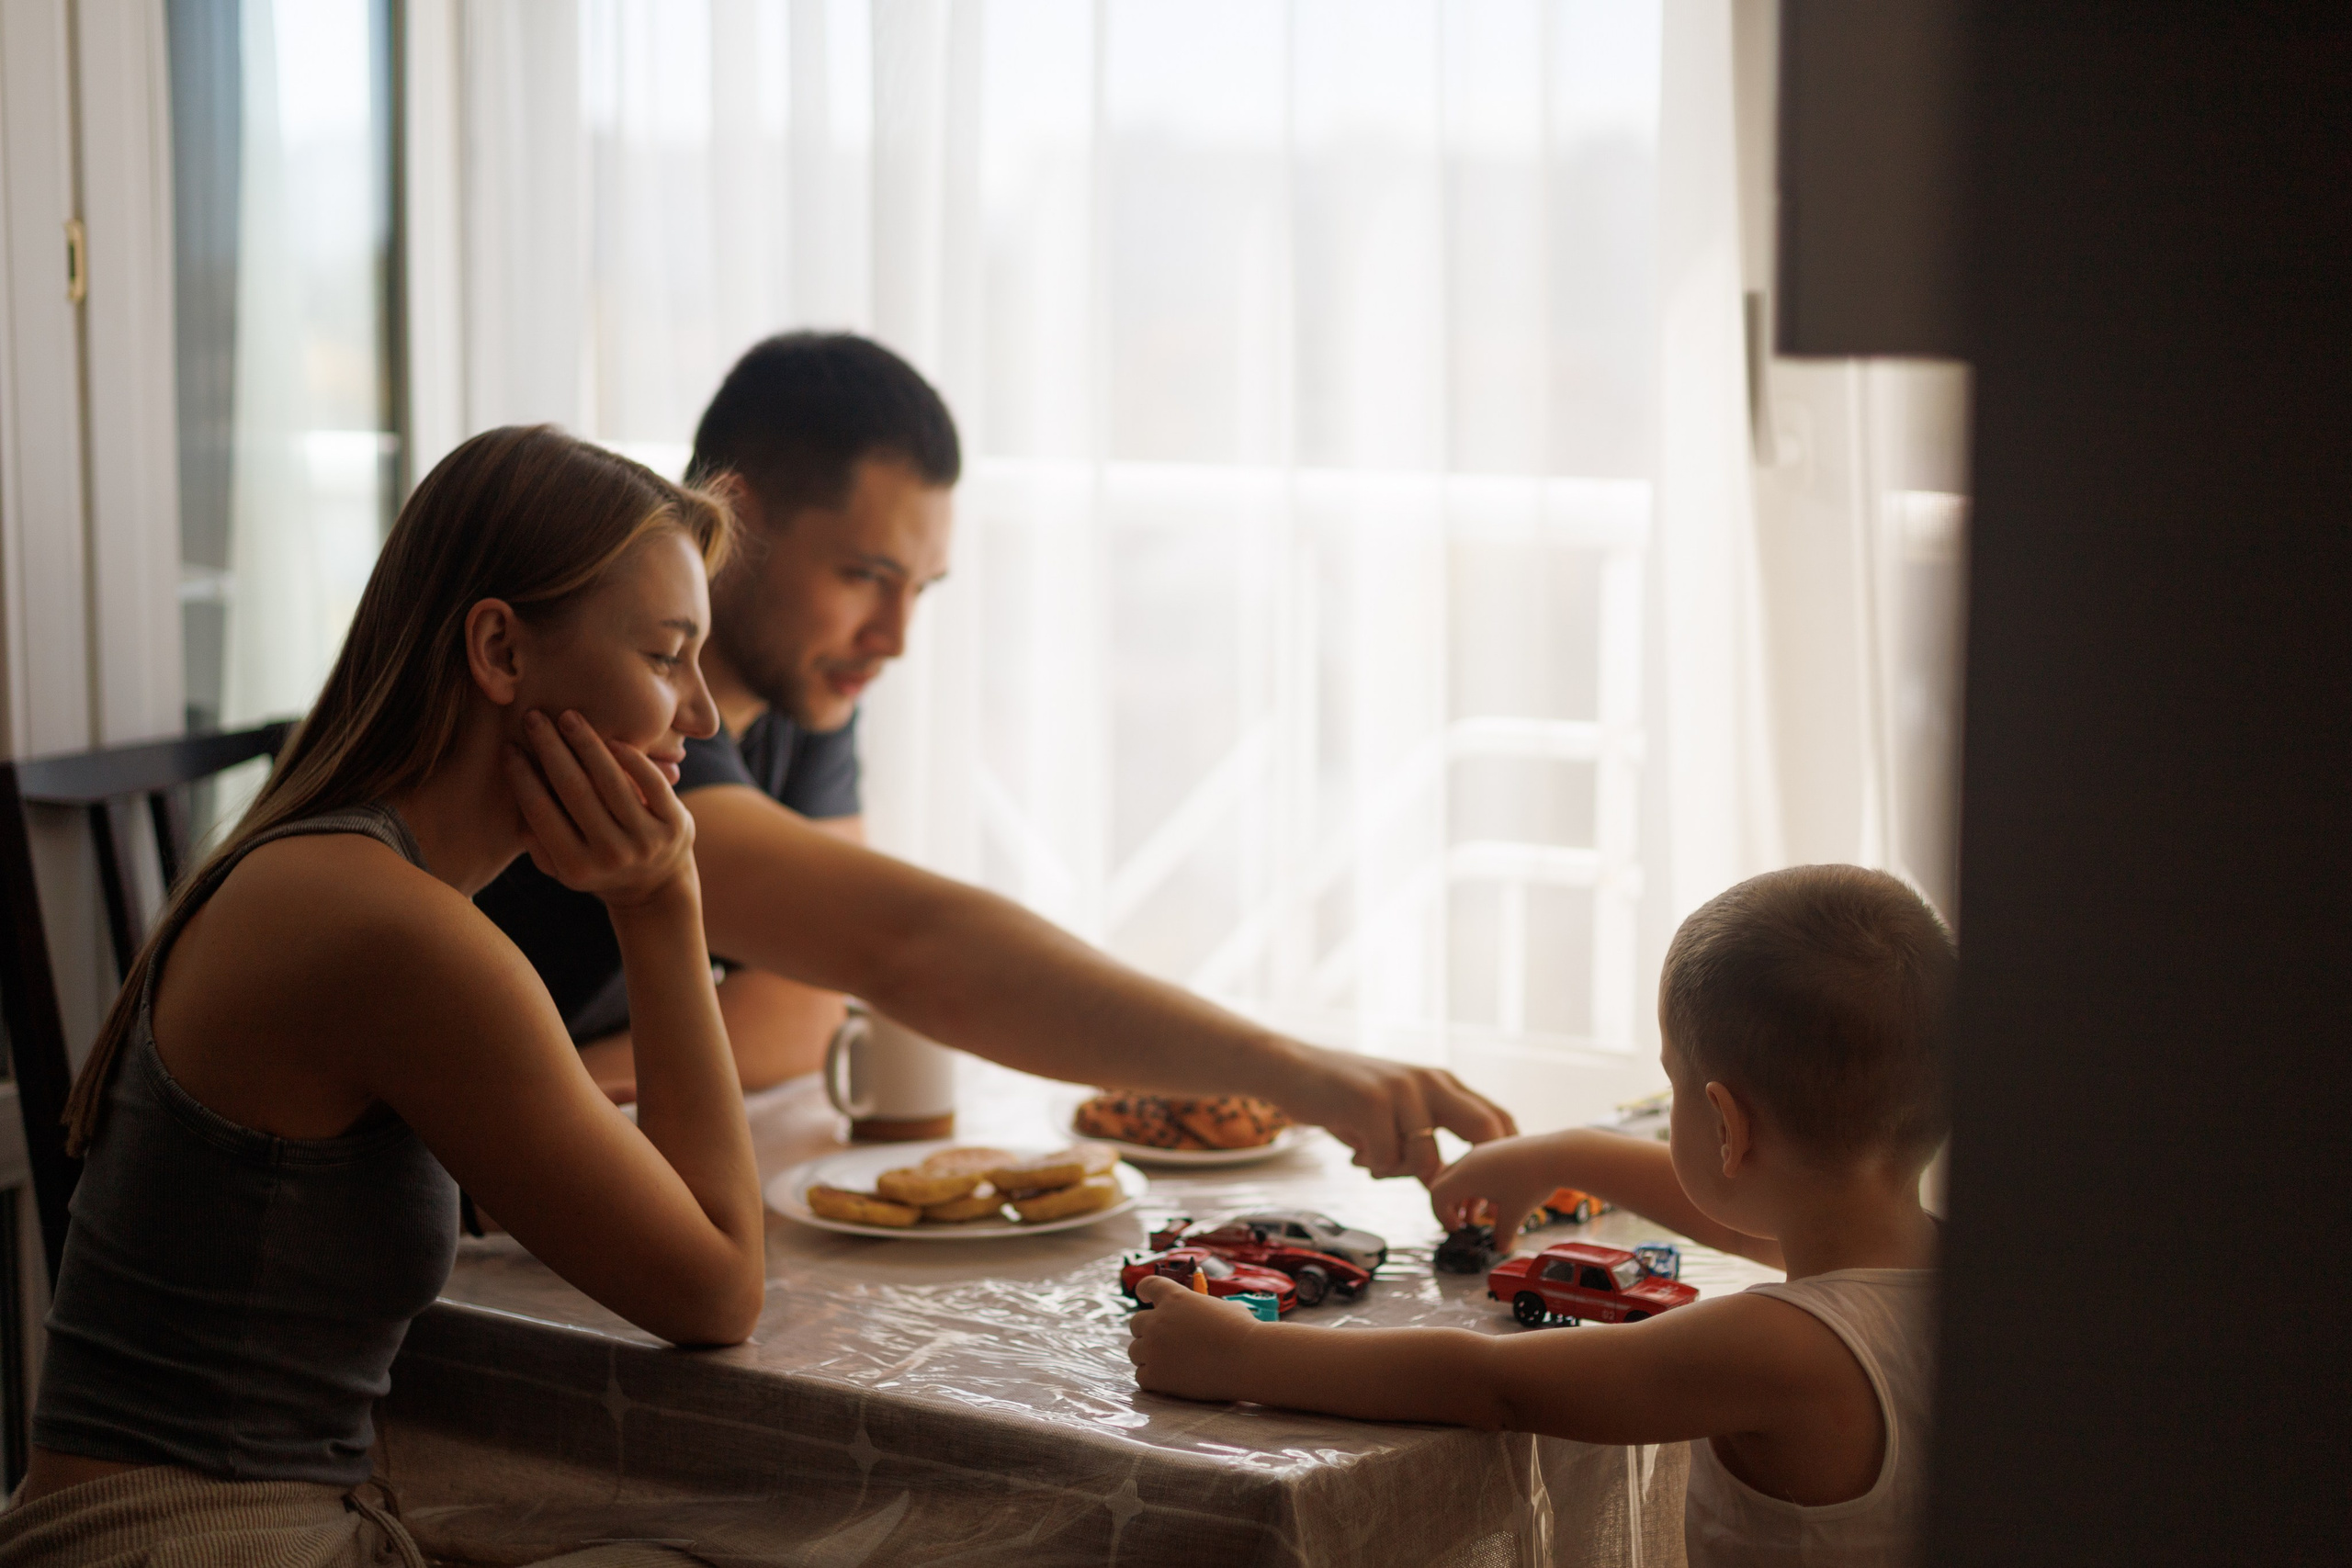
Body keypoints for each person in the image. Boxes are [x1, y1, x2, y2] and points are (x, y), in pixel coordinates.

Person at [478, 332, 1513, 1179]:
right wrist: (1299, 1071)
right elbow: (908, 949)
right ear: (737, 517)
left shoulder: (802, 692)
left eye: (920, 589)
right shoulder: (631, 708)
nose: (893, 637)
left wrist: (550, 1089)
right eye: (864, 574)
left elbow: (803, 1009)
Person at [1, 428, 753, 1564]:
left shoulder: (348, 881)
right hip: (194, 1541)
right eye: (665, 656)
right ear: (500, 649)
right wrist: (663, 905)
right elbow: (719, 1287)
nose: (701, 715)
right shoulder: (393, 931)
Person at [1126, 865, 1955, 1567]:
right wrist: (1556, 1153)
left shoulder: (1781, 1347)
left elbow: (1493, 1386)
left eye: (1671, 1084)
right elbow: (1753, 1227)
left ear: (1728, 1128)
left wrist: (1238, 1354)